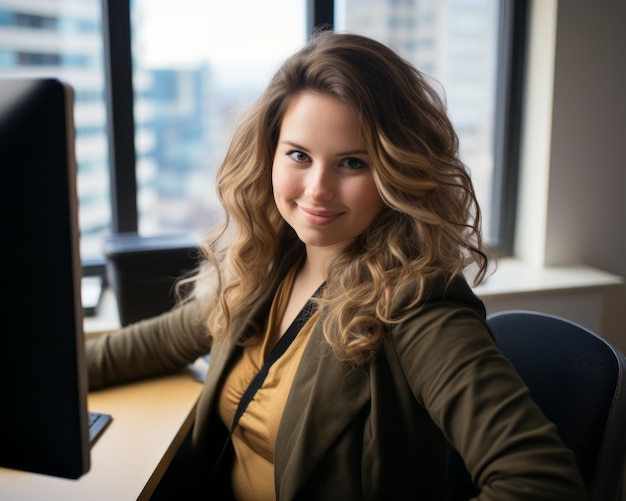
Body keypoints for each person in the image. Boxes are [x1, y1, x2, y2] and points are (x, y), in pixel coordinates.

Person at [86, 31, 587, 500]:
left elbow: (541, 481)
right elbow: (149, 345)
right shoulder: (266, 267)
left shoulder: (418, 305)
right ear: (269, 156)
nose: (317, 189)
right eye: (299, 155)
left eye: (353, 163)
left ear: (397, 171)